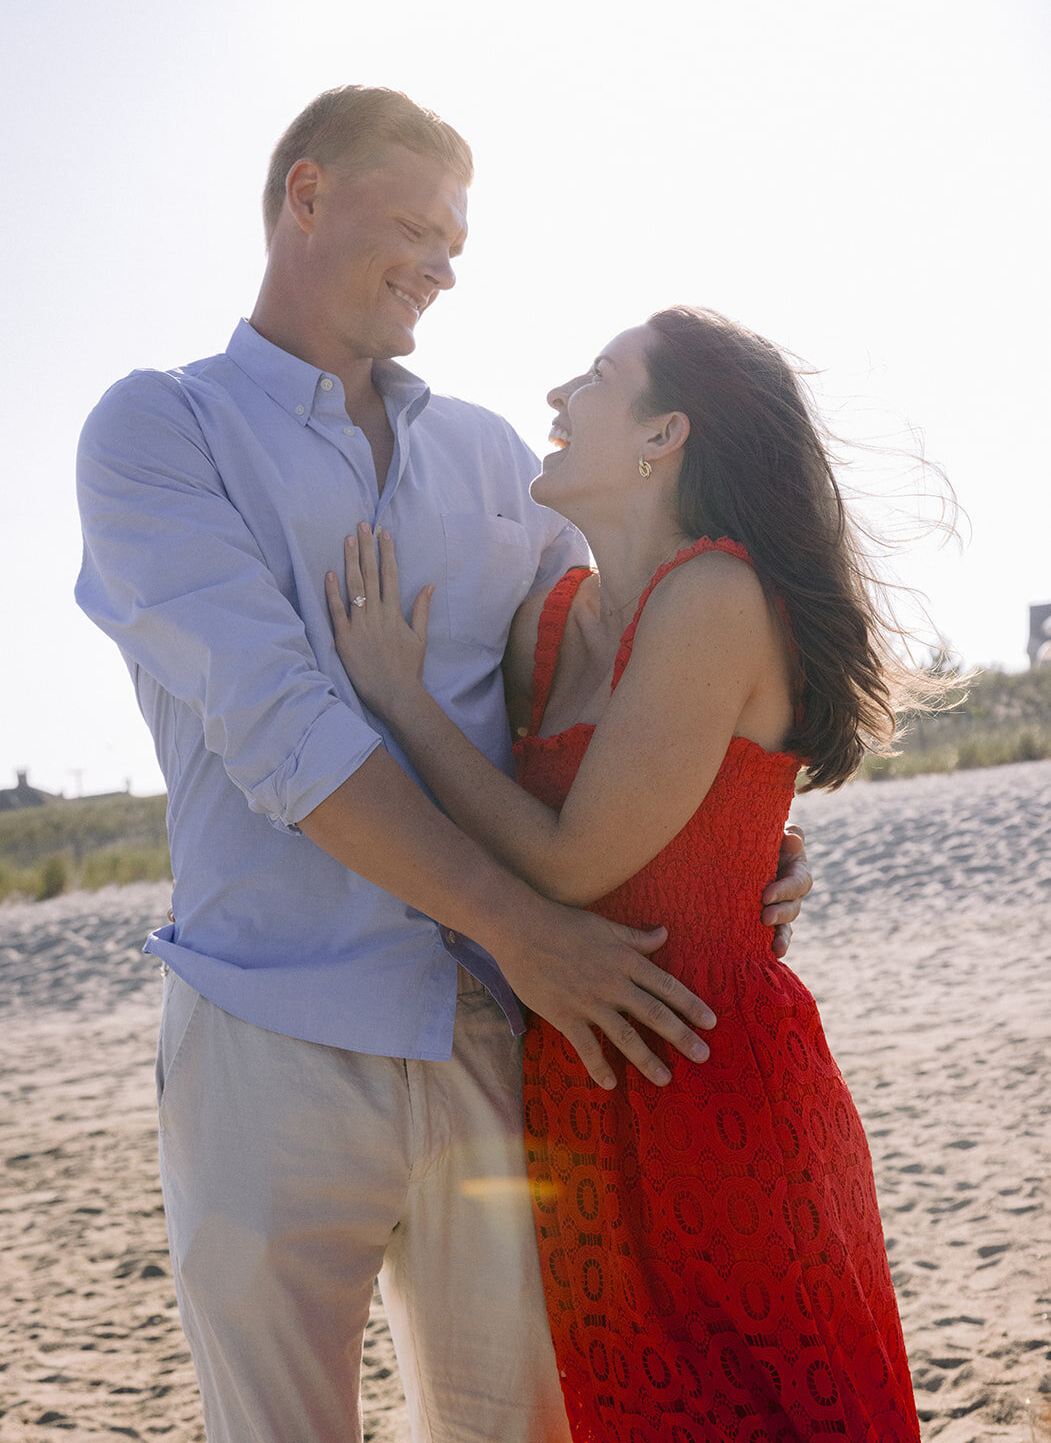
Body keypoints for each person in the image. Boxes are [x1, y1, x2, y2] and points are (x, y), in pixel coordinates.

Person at [74, 86, 810, 1443]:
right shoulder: (156, 434)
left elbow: (621, 678)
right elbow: (287, 733)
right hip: (268, 1034)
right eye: (410, 223)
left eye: (455, 239)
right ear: (305, 196)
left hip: (489, 1045)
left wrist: (737, 832)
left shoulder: (488, 459)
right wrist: (527, 931)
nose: (440, 263)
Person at [329, 308, 924, 1440]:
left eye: (596, 378)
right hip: (578, 1109)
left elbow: (567, 857)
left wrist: (401, 699)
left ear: (664, 437)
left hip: (720, 1084)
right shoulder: (542, 625)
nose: (556, 395)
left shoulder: (714, 594)